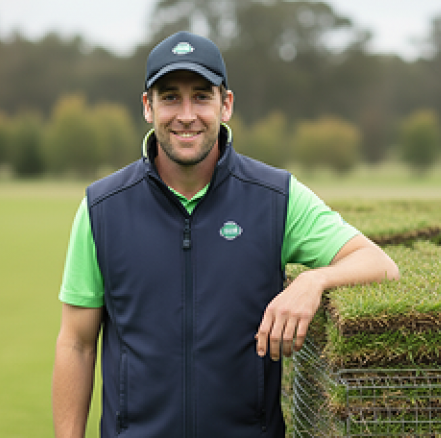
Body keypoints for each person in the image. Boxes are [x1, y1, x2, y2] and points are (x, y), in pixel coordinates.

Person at [52, 31, 399, 438]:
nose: (186, 114)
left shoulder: (276, 198)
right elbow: (76, 344)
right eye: (169, 97)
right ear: (148, 107)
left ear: (226, 104)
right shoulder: (101, 208)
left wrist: (314, 279)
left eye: (201, 96)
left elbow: (379, 264)